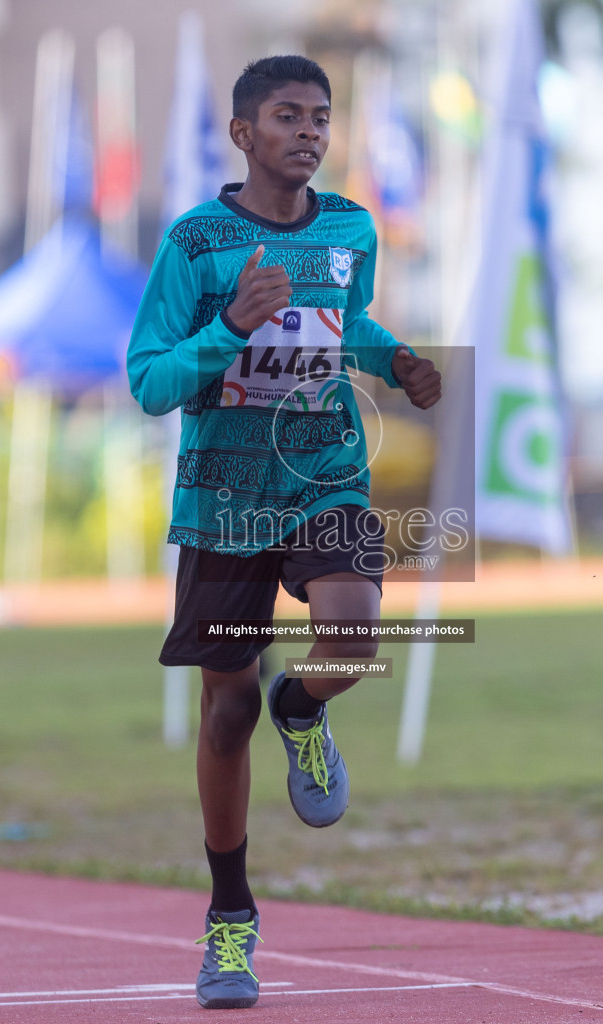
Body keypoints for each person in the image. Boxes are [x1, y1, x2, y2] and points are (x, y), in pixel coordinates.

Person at [126, 55, 442, 1008]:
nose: (308, 131)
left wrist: (398, 359)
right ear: (242, 134)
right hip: (225, 498)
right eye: (287, 116)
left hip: (323, 477)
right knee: (227, 714)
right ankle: (230, 919)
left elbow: (344, 325)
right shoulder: (195, 243)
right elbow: (148, 380)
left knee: (351, 637)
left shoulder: (349, 228)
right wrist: (227, 325)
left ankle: (302, 709)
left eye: (320, 117)